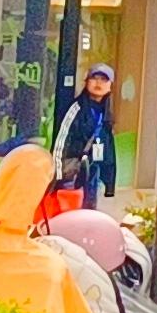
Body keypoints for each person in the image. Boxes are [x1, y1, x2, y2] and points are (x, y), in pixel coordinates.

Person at [51, 57, 120, 209]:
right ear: (86, 81)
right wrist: (58, 175)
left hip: (94, 176)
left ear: (110, 86)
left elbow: (108, 151)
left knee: (88, 219)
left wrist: (109, 184)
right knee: (70, 216)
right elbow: (61, 141)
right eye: (94, 78)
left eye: (104, 80)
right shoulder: (76, 108)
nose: (98, 83)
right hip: (73, 176)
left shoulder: (107, 114)